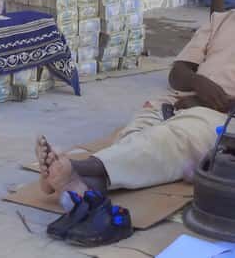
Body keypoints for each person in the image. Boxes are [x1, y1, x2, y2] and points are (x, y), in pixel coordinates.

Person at [37, 12, 235, 197]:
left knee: (169, 138)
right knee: (135, 136)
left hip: (226, 116)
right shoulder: (220, 20)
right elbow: (177, 73)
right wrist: (196, 82)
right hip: (179, 101)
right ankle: (81, 185)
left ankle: (77, 168)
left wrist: (207, 102)